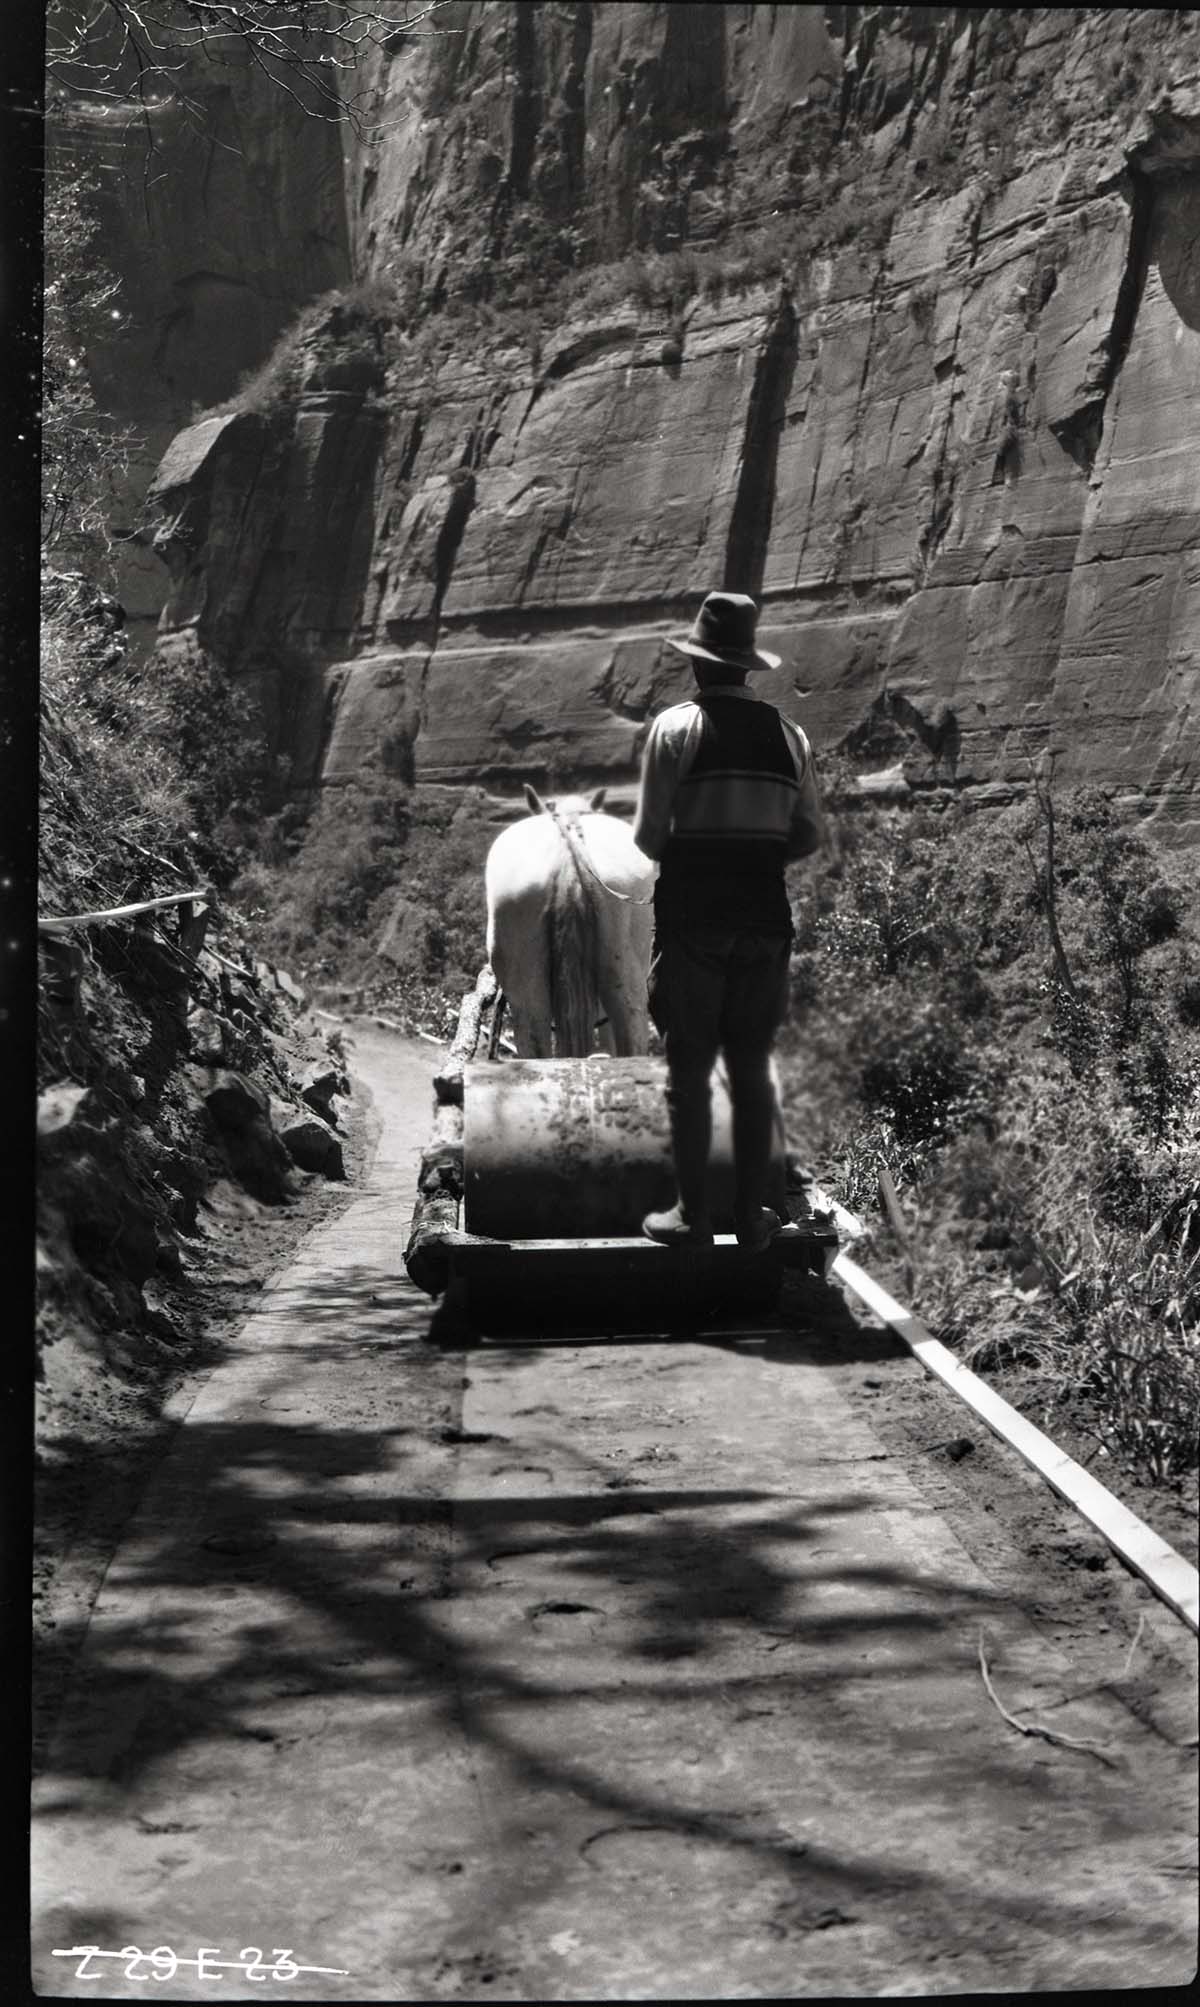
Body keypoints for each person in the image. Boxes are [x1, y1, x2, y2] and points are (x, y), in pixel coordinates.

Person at [632, 590, 826, 1251]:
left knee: (689, 1069)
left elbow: (650, 837)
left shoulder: (675, 729)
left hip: (694, 923)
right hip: (766, 923)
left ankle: (692, 1215)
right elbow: (808, 833)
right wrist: (756, 850)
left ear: (696, 663)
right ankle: (749, 1217)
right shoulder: (791, 736)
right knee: (751, 1068)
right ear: (746, 666)